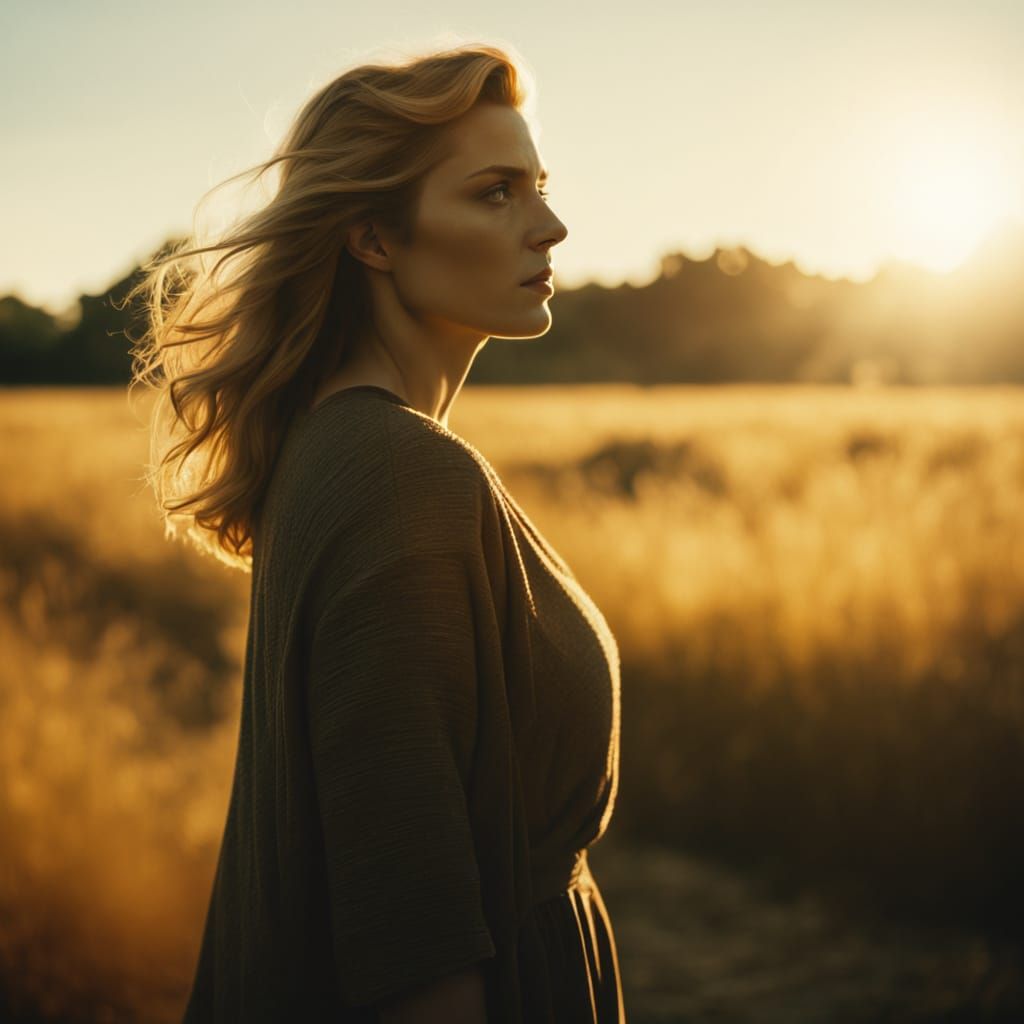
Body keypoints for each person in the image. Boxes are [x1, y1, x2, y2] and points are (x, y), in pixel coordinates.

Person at [127, 40, 625, 1023]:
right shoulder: (398, 476)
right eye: (496, 193)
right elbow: (413, 935)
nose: (551, 225)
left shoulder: (341, 451)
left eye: (539, 186)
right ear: (375, 238)